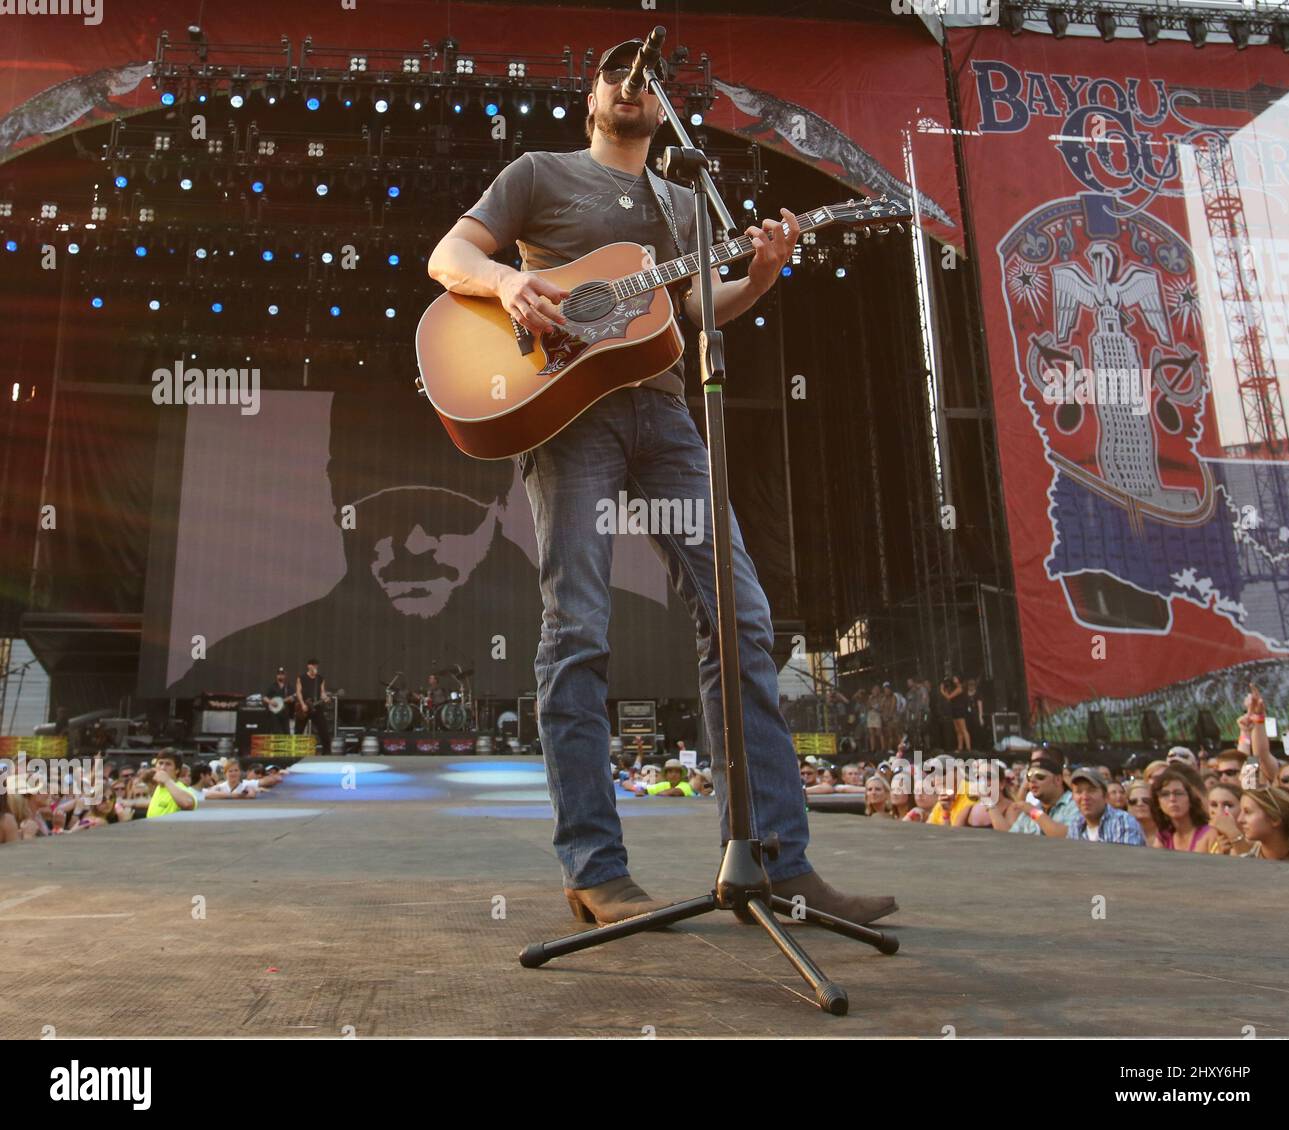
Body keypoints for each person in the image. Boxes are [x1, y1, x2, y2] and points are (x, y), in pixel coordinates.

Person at [428, 37, 897, 928]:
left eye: (643, 77)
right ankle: (594, 868)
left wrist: (756, 276)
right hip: (570, 418)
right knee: (579, 626)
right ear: (592, 97)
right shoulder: (540, 172)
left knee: (742, 615)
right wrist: (508, 281)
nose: (629, 83)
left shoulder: (685, 205)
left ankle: (774, 861)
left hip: (669, 413)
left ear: (663, 105)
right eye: (614, 73)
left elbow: (689, 310)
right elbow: (449, 256)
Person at [994, 751, 1079, 836]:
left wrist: (1033, 812)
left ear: (1058, 780)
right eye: (1029, 777)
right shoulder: (1032, 809)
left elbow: (1065, 836)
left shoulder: (1076, 803)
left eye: (1040, 777)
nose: (1032, 781)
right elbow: (1011, 840)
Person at [1215, 786, 1289, 861]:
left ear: (1275, 819)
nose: (1240, 820)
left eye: (1247, 812)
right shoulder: (1241, 856)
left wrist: (1234, 836)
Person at [1065, 768, 1147, 845]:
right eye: (1079, 791)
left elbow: (1125, 859)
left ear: (1105, 795)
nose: (1085, 797)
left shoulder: (1123, 821)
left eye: (1091, 790)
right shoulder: (1075, 826)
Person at [1150, 762, 1212, 852]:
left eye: (1178, 793)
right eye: (1165, 794)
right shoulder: (1164, 836)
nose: (1172, 799)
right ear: (1158, 803)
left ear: (1190, 798)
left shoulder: (1208, 833)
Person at [146, 750, 200, 817]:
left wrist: (167, 780)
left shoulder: (180, 788)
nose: (163, 768)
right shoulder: (159, 787)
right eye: (160, 763)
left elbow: (188, 803)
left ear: (177, 770)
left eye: (168, 764)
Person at [296, 658, 332, 753]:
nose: (314, 667)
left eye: (316, 665)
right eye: (312, 665)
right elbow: (298, 692)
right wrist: (302, 704)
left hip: (316, 707)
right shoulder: (301, 677)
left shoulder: (320, 678)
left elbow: (322, 692)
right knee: (298, 730)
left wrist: (326, 698)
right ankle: (295, 752)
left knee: (324, 730)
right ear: (308, 666)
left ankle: (327, 753)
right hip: (304, 707)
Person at [1206, 782, 1244, 855]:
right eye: (1214, 805)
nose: (1219, 812)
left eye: (1228, 805)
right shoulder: (1211, 840)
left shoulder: (1255, 843)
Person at [1125, 781, 1159, 846]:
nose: (1140, 804)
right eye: (1133, 801)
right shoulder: (1121, 831)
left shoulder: (1168, 833)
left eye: (1146, 800)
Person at [264, 666, 294, 735]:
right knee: (276, 732)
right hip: (274, 714)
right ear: (276, 675)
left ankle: (286, 745)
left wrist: (287, 700)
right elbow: (265, 697)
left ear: (285, 676)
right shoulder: (272, 686)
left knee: (286, 732)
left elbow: (293, 698)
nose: (280, 675)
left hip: (285, 713)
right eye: (279, 674)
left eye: (282, 674)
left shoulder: (288, 686)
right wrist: (270, 702)